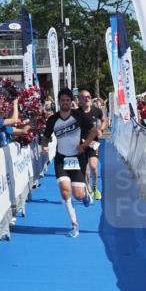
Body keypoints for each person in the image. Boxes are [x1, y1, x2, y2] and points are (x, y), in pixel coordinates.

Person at [41, 88, 98, 237]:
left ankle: (85, 194)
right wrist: (44, 146)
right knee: (65, 190)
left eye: (67, 100)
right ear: (59, 102)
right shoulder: (52, 119)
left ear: (71, 102)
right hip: (61, 159)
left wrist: (84, 146)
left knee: (78, 195)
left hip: (77, 159)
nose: (65, 103)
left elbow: (94, 132)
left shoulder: (79, 116)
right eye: (62, 100)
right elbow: (46, 136)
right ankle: (74, 225)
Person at [78, 89, 107, 200]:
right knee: (85, 170)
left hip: (94, 143)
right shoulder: (76, 113)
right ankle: (87, 187)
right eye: (84, 97)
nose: (87, 99)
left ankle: (95, 188)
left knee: (94, 166)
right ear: (80, 100)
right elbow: (73, 129)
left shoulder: (97, 111)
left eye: (89, 96)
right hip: (82, 144)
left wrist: (101, 130)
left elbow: (105, 120)